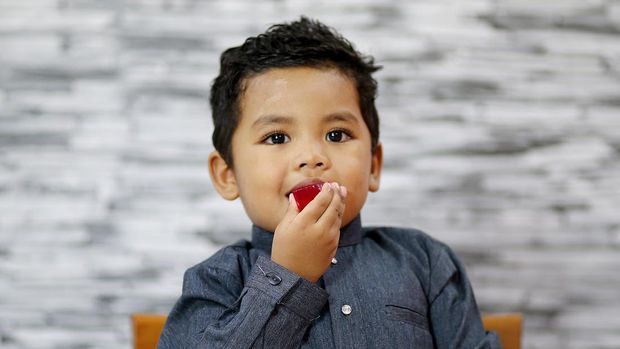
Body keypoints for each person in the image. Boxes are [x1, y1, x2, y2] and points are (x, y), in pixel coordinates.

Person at [158, 17, 501, 349]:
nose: (312, 157)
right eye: (277, 137)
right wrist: (286, 276)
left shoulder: (426, 262)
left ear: (374, 165)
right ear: (227, 175)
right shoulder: (216, 280)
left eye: (336, 134)